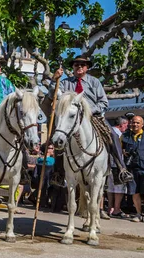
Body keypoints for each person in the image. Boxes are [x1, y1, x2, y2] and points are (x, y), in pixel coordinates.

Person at [51, 55, 132, 185]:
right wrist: (54, 81)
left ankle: (121, 169)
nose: (79, 67)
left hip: (93, 116)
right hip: (71, 118)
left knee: (113, 135)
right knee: (58, 139)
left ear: (87, 67)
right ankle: (58, 173)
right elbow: (54, 96)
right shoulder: (65, 82)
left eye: (82, 65)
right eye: (76, 64)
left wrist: (89, 110)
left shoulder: (94, 82)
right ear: (73, 67)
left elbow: (104, 102)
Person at [121, 116, 144, 223]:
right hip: (132, 169)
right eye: (133, 122)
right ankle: (138, 214)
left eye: (138, 123)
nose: (135, 124)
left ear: (142, 125)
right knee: (135, 192)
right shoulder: (124, 136)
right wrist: (123, 152)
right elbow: (118, 149)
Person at [108, 116, 129, 218]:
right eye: (126, 125)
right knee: (119, 188)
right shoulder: (118, 135)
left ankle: (109, 208)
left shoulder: (108, 131)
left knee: (109, 188)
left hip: (107, 164)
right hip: (116, 164)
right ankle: (116, 209)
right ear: (122, 124)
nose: (127, 127)